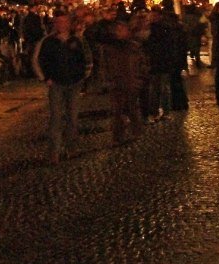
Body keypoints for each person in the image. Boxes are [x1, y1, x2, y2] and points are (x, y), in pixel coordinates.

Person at [33, 14, 92, 164]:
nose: (62, 25)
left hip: (74, 83)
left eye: (65, 22)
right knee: (56, 118)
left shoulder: (77, 40)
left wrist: (82, 77)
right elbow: (38, 60)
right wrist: (45, 78)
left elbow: (87, 59)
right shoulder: (47, 41)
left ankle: (72, 148)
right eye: (59, 22)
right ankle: (55, 152)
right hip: (56, 84)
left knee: (72, 117)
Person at [101, 21, 148, 144]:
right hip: (116, 83)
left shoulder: (134, 47)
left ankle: (136, 132)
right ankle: (118, 136)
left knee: (132, 108)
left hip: (132, 82)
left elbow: (142, 64)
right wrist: (107, 80)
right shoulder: (109, 48)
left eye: (123, 30)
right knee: (117, 111)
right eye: (118, 30)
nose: (120, 32)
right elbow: (104, 66)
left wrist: (140, 79)